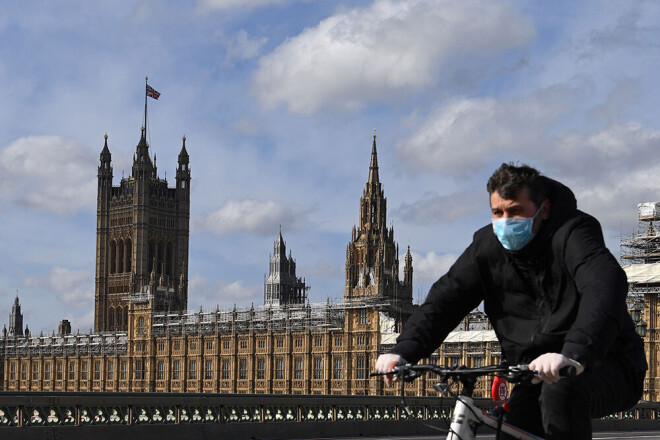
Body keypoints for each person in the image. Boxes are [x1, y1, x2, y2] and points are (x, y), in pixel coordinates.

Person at [375, 163, 647, 440]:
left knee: (562, 390)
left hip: (604, 363)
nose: (506, 221)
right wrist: (404, 350)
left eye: (516, 211)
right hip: (533, 374)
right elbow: (445, 300)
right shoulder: (486, 248)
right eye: (498, 213)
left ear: (545, 209)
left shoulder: (574, 233)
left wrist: (575, 353)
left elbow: (603, 287)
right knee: (507, 431)